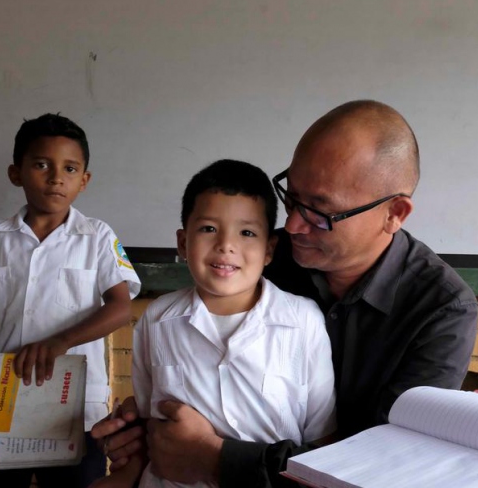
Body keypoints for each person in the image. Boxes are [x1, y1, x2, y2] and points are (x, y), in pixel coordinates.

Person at [94, 100, 478, 487]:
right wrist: (143, 434)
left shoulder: (442, 311)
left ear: (394, 213)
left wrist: (214, 458)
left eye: (319, 211)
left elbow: (385, 467)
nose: (293, 225)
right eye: (291, 197)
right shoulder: (261, 259)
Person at [0, 113, 141, 488]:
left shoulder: (97, 237)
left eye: (70, 168)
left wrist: (60, 342)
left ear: (84, 180)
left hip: (73, 409)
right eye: (41, 164)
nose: (56, 177)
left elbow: (121, 306)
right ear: (16, 173)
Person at [100, 160, 336, 488]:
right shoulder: (156, 318)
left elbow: (322, 439)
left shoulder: (304, 321)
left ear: (269, 249)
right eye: (209, 228)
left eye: (247, 232)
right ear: (183, 243)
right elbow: (147, 417)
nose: (227, 244)